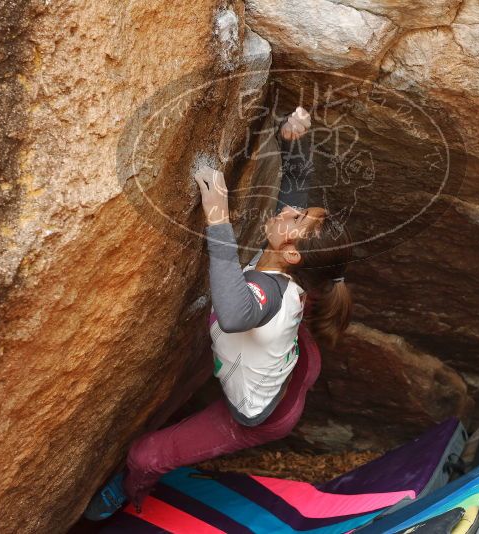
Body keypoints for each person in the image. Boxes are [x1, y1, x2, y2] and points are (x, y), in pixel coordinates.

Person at [84, 107, 354, 520]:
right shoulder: (290, 269)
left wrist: (218, 220)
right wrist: (294, 142)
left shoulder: (267, 294)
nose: (289, 210)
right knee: (290, 348)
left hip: (258, 414)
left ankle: (129, 490)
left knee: (145, 454)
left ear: (293, 254)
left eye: (296, 218)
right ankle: (297, 368)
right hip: (289, 362)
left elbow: (233, 313)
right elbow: (296, 187)